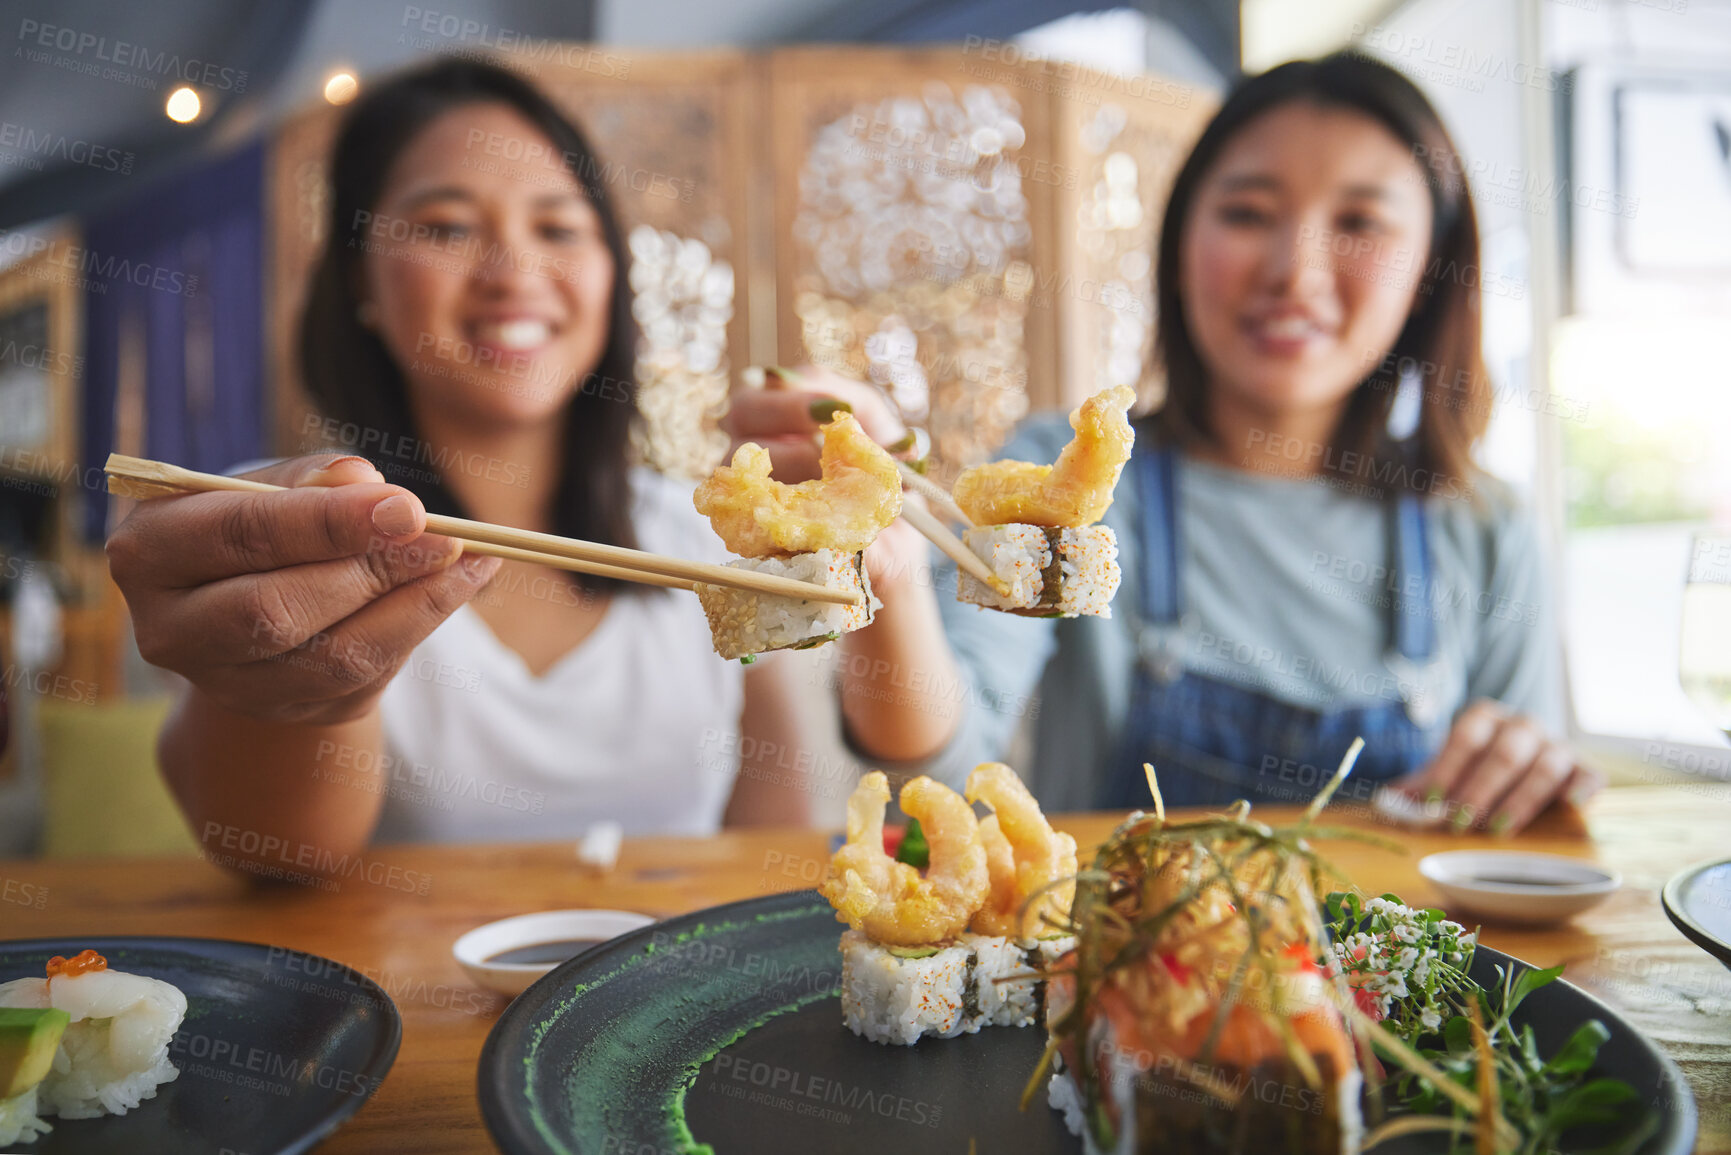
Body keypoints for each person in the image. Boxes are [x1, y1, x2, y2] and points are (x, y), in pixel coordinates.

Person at [734, 52, 1601, 833]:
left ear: (1429, 271)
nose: (1294, 272)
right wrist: (887, 565)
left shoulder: (1484, 528)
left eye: (1360, 222)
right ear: (1179, 244)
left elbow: (1513, 852)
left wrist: (1527, 776)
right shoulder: (1056, 472)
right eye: (1248, 211)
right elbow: (936, 771)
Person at [107, 59, 810, 880]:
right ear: (359, 280)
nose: (511, 271)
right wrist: (284, 686)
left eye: (557, 228)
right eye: (445, 226)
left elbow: (773, 855)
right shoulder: (286, 525)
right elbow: (279, 856)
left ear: (611, 272)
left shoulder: (706, 542)